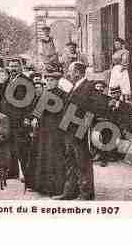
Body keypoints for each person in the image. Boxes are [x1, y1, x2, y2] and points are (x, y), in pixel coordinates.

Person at [53, 62, 101, 200]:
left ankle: (86, 192)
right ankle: (70, 191)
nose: (68, 74)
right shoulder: (76, 86)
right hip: (69, 129)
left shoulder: (89, 86)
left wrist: (82, 129)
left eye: (70, 71)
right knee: (71, 160)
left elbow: (92, 109)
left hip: (79, 130)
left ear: (78, 72)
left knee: (82, 160)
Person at [32, 68, 67, 196]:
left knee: (55, 158)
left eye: (52, 80)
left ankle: (57, 188)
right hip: (43, 130)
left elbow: (65, 114)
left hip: (56, 130)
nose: (49, 82)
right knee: (44, 156)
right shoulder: (45, 94)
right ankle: (44, 187)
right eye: (47, 80)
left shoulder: (63, 95)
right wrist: (35, 118)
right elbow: (37, 111)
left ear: (57, 81)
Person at [0, 59, 33, 182]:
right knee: (10, 146)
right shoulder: (8, 80)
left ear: (21, 67)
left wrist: (27, 118)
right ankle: (13, 171)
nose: (13, 69)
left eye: (15, 66)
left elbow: (30, 102)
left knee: (22, 148)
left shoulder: (26, 81)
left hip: (19, 120)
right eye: (11, 66)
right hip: (8, 119)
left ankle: (28, 175)